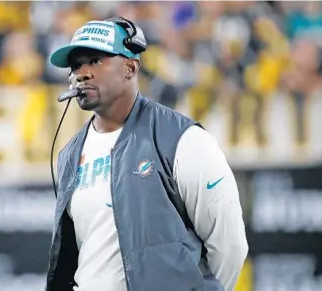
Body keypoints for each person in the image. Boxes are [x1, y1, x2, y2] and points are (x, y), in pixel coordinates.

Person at [46, 17, 248, 291]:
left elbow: (229, 246)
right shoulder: (69, 155)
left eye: (95, 61)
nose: (81, 73)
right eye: (75, 65)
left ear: (131, 67)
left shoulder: (183, 139)